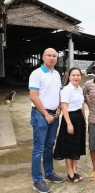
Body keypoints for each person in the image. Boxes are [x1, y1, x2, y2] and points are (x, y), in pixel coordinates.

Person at [29, 48, 64, 193]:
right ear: (43, 57)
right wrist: (46, 114)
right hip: (40, 115)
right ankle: (37, 181)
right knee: (39, 148)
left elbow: (59, 92)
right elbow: (33, 96)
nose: (52, 58)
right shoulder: (36, 74)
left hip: (54, 115)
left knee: (50, 145)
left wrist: (59, 107)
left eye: (54, 56)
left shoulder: (56, 73)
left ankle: (49, 173)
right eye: (49, 55)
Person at [53, 67, 86, 183]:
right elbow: (64, 107)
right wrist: (69, 124)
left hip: (79, 119)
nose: (76, 77)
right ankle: (69, 172)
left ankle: (75, 170)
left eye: (78, 75)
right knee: (69, 146)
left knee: (76, 146)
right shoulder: (66, 90)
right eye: (73, 75)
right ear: (69, 77)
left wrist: (84, 118)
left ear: (80, 77)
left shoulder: (80, 89)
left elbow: (81, 105)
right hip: (70, 118)